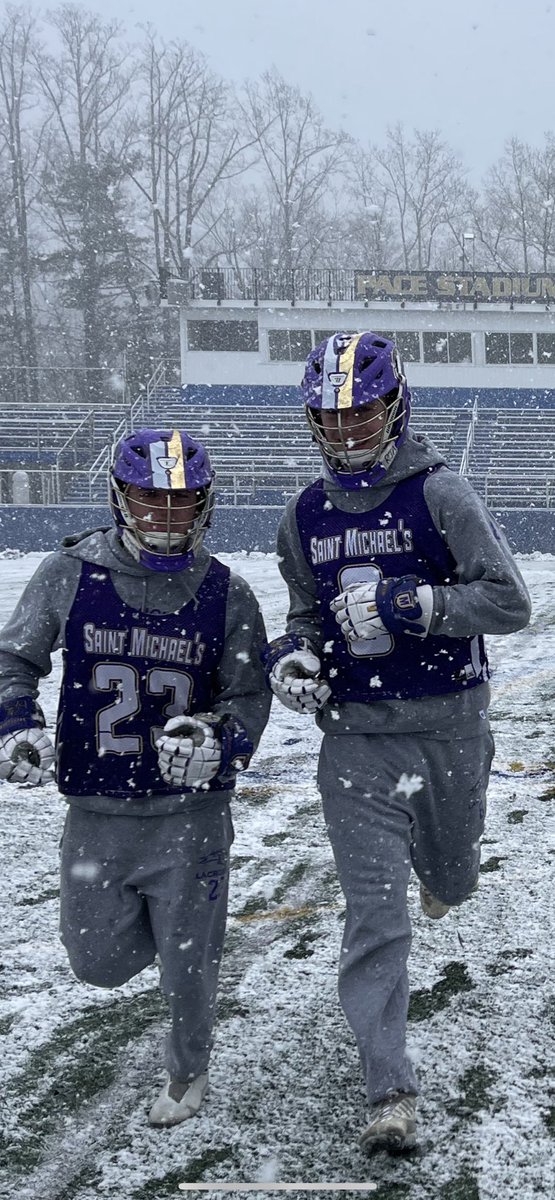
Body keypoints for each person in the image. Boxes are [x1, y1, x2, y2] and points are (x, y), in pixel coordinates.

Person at [264, 332, 531, 1154]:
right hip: (354, 741)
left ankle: (443, 868)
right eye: (330, 416)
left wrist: (426, 606)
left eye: (362, 412)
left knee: (452, 875)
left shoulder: (440, 493)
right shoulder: (304, 513)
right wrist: (293, 658)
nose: (346, 430)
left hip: (448, 723)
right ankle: (389, 1090)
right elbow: (303, 615)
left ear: (396, 405)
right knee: (375, 921)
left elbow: (509, 602)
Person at [0, 428, 270, 1127]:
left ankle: (188, 1071)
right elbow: (12, 660)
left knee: (189, 969)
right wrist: (17, 725)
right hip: (97, 810)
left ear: (205, 504)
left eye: (182, 501)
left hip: (191, 816)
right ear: (121, 497)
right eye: (151, 498)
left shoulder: (225, 592)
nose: (167, 515)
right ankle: (176, 930)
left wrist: (222, 741)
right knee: (96, 962)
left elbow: (248, 694)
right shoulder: (70, 574)